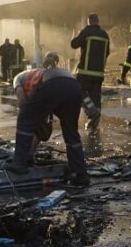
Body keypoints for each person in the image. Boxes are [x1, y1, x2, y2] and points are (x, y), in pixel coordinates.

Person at [7, 52, 90, 186]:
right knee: (71, 132)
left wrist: (36, 122)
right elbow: (46, 104)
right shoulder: (41, 73)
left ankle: (19, 163)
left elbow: (23, 103)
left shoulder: (18, 79)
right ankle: (80, 173)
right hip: (74, 86)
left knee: (24, 120)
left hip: (54, 84)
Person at [71, 13, 110, 129]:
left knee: (78, 91)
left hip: (85, 71)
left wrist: (76, 35)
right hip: (99, 73)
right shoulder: (105, 35)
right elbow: (107, 53)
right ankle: (94, 121)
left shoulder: (86, 32)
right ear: (98, 21)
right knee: (95, 96)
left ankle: (90, 110)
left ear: (89, 21)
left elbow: (74, 44)